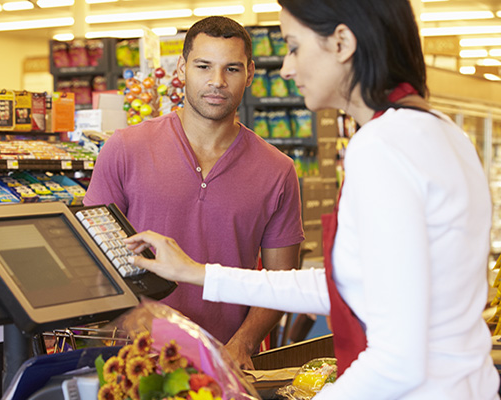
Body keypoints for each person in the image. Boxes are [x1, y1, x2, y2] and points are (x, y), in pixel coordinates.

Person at [123, 0, 501, 398]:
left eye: (294, 46)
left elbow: (397, 361)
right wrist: (196, 272)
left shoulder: (382, 146)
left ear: (341, 43)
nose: (286, 67)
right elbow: (351, 286)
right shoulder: (438, 130)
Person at [83, 16, 304, 369]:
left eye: (231, 69)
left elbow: (281, 284)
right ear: (182, 68)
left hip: (228, 364)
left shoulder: (278, 170)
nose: (217, 82)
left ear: (249, 73)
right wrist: (128, 318)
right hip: (136, 362)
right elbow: (92, 255)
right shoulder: (125, 148)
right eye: (204, 66)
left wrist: (242, 344)